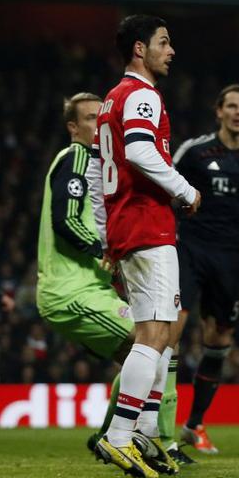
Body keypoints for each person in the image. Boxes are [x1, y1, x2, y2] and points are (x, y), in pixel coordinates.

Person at [89, 15, 200, 478]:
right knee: (154, 334)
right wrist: (185, 189)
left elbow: (96, 175)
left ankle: (145, 431)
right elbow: (138, 150)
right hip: (146, 223)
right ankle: (119, 435)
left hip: (126, 226)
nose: (171, 51)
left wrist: (105, 237)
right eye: (164, 42)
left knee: (161, 334)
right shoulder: (141, 95)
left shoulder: (111, 99)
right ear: (140, 48)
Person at [169, 84, 239, 456]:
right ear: (219, 111)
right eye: (231, 106)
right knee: (170, 332)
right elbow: (164, 192)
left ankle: (193, 425)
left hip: (228, 256)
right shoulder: (194, 152)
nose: (238, 112)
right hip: (187, 248)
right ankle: (152, 426)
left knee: (219, 339)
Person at [37, 93, 139, 449]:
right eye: (91, 118)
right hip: (71, 291)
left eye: (103, 118)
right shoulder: (77, 156)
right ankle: (120, 436)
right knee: (148, 344)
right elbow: (65, 219)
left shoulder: (97, 167)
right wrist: (102, 251)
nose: (100, 125)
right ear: (73, 127)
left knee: (142, 359)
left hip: (91, 289)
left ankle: (113, 437)